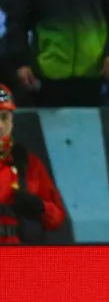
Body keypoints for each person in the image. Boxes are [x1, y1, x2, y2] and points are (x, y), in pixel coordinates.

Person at [0, 84, 66, 244]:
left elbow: (57, 218)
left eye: (4, 117)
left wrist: (41, 207)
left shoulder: (27, 162)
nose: (1, 126)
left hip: (21, 258)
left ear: (12, 121)